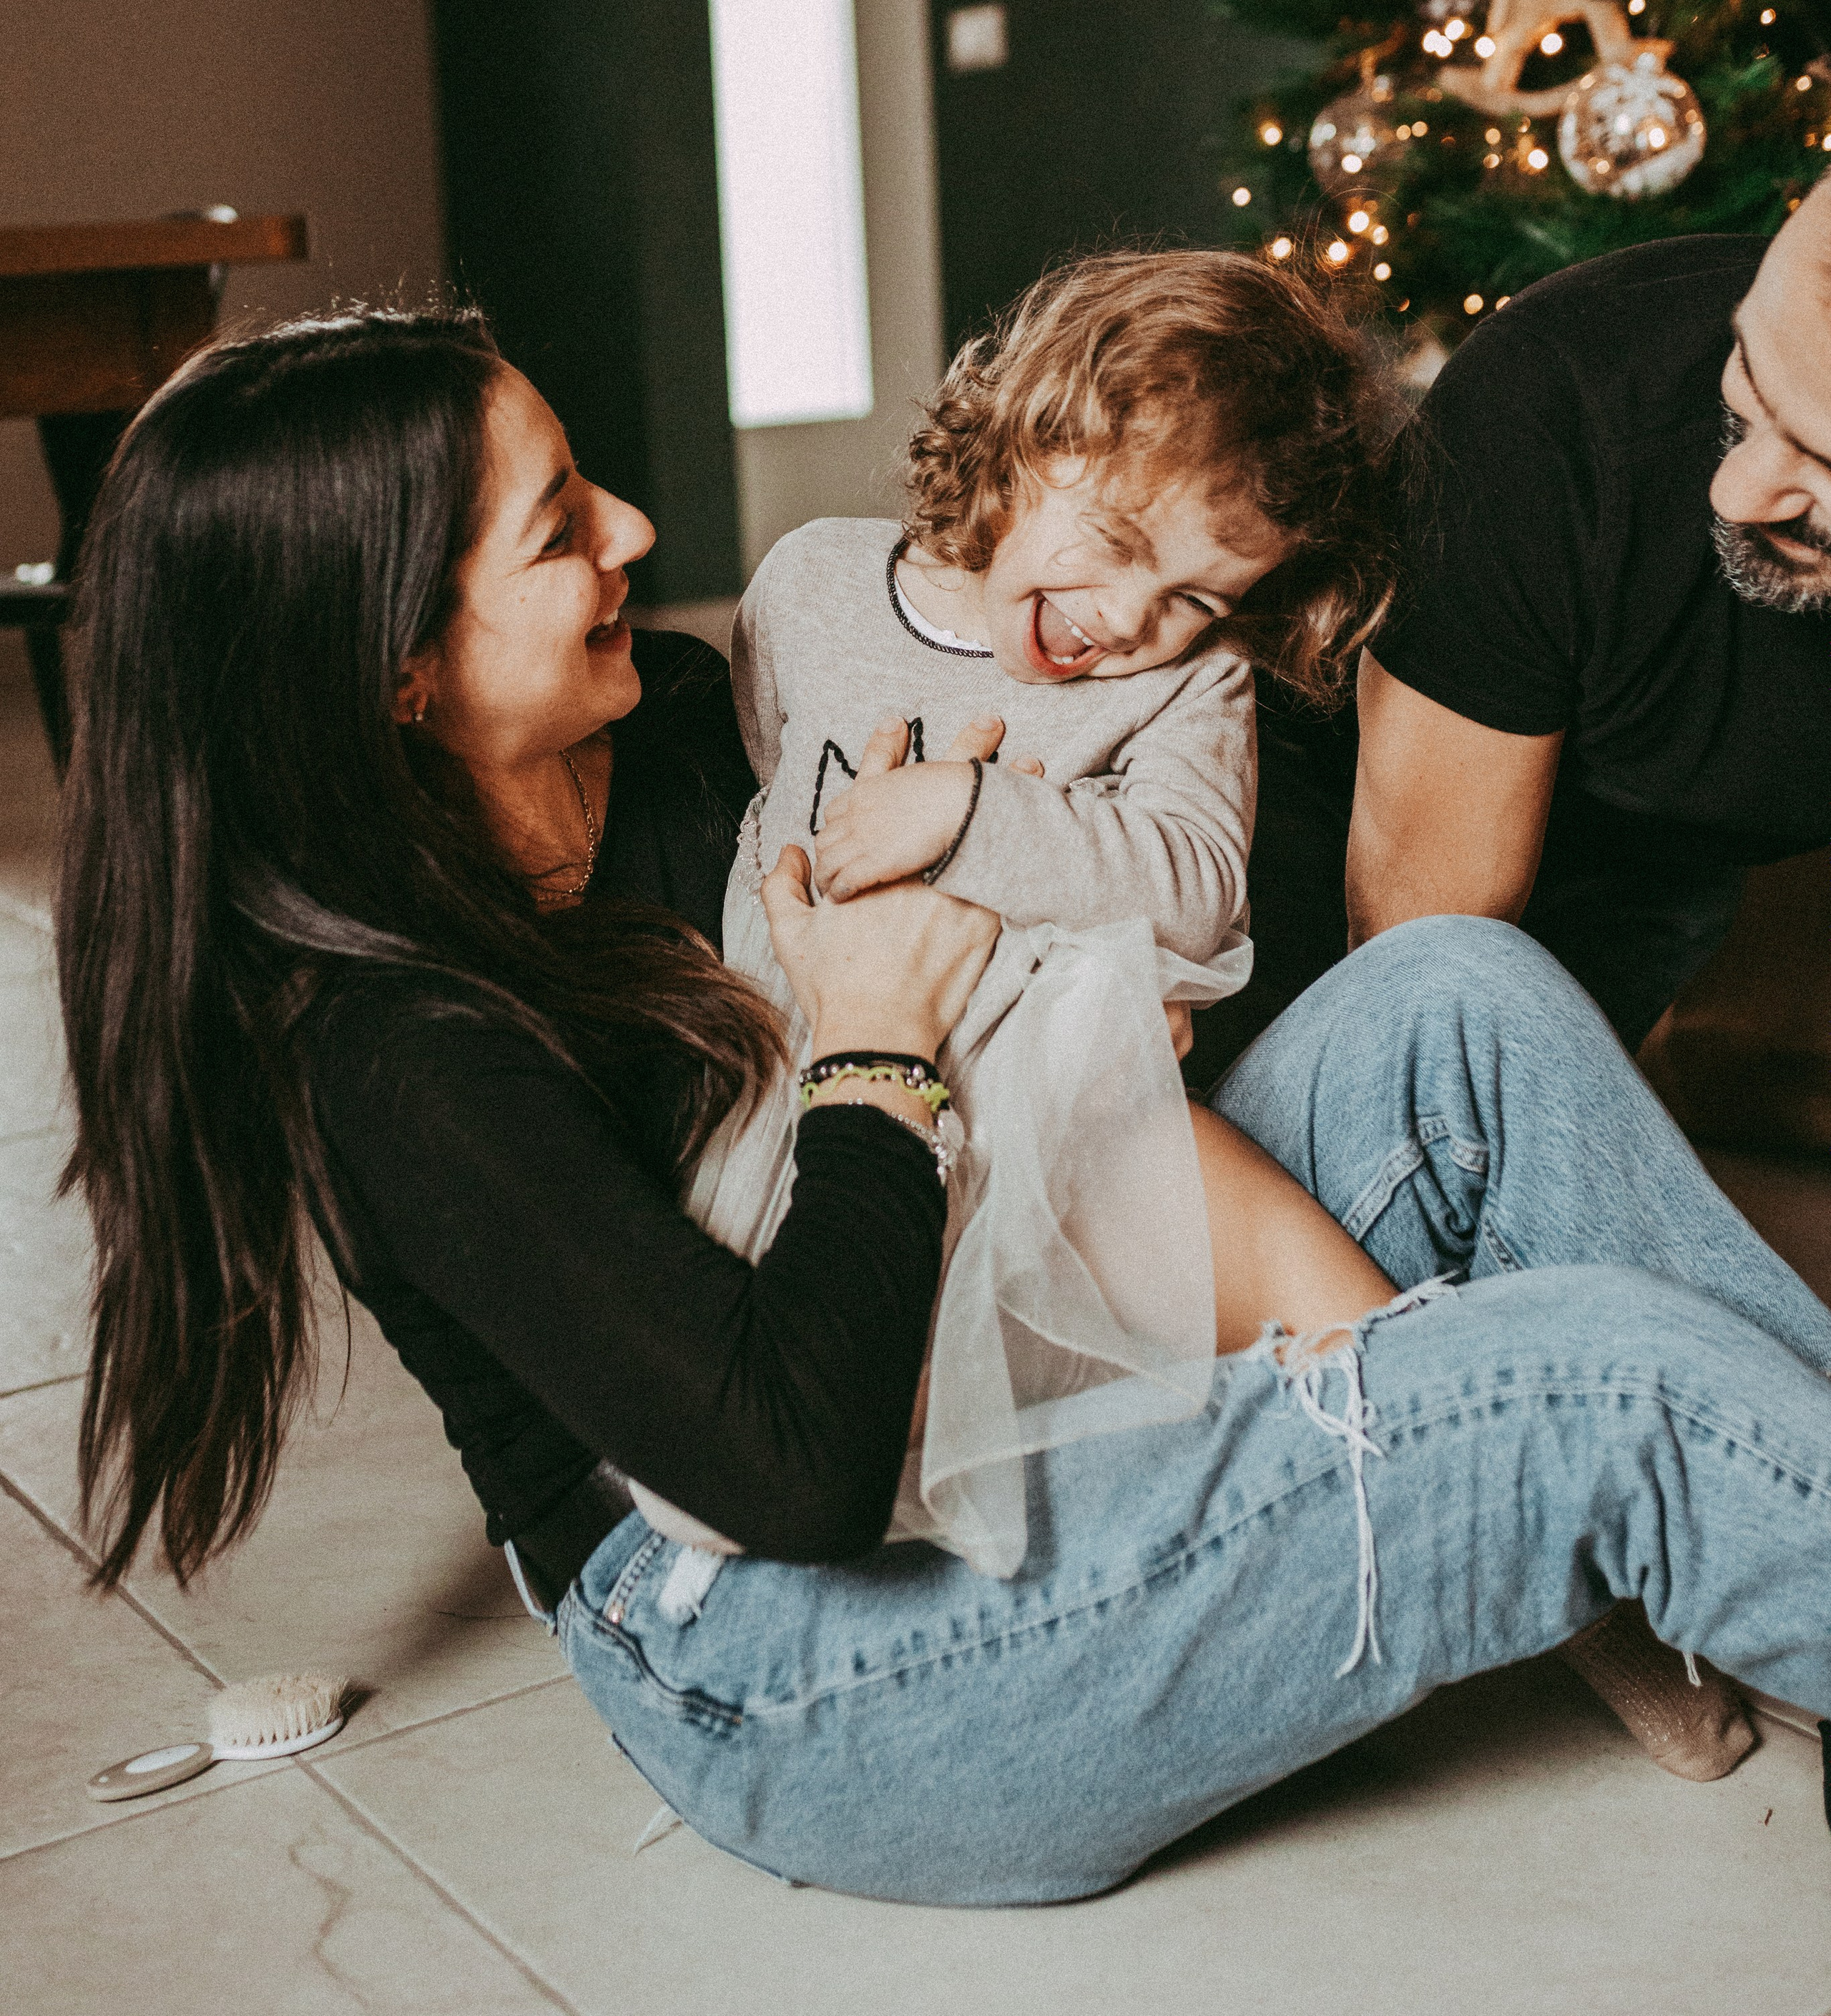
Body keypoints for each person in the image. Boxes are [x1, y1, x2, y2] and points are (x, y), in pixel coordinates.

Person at [58, 308, 1831, 1909]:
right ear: (396, 669)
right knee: (1600, 1382)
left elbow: (1093, 967)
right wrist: (878, 1050)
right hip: (795, 1656)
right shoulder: (392, 1046)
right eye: (557, 527)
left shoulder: (685, 722)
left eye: (583, 479)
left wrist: (1062, 945)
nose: (637, 534)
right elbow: (786, 1470)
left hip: (990, 1354)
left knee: (1458, 992)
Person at [689, 250, 1397, 1572]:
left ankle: (1496, 1506)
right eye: (1121, 543)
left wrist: (970, 811)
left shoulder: (1195, 691)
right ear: (1025, 433)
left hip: (1062, 1130)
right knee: (829, 1446)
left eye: (1197, 596)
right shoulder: (807, 590)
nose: (1132, 615)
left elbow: (1194, 888)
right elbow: (778, 784)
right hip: (814, 1111)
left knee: (1310, 1322)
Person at [1195, 180, 1831, 1083]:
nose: (1735, 493)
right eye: (1747, 383)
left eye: (1818, 457)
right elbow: (1421, 988)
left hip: (1664, 847)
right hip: (1344, 812)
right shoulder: (1556, 401)